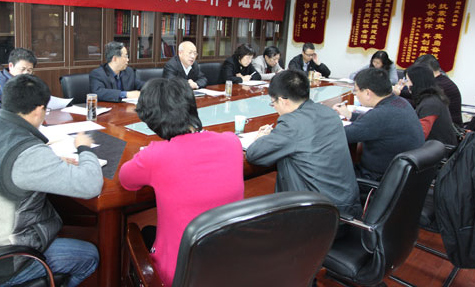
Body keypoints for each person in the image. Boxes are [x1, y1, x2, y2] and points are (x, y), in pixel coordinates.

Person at [0, 74, 103, 287]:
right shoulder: (27, 154)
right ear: (38, 110)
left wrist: (48, 161)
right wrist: (84, 148)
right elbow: (90, 184)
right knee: (89, 256)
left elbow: (1, 160)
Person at [119, 78, 244, 287]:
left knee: (138, 231)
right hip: (229, 264)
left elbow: (126, 180)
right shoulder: (232, 142)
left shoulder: (156, 155)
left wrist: (147, 155)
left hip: (179, 274)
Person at [246, 70, 361, 220]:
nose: (274, 107)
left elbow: (254, 154)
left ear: (283, 100)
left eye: (273, 103)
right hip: (347, 207)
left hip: (318, 215)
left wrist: (261, 138)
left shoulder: (292, 124)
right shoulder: (330, 113)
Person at [334, 68, 424, 181]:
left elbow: (341, 135)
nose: (355, 94)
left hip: (375, 178)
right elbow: (375, 123)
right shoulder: (400, 102)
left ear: (367, 93)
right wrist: (350, 115)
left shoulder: (380, 115)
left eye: (356, 91)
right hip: (401, 177)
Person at [395, 54, 463, 126]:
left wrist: (398, 94)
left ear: (425, 71)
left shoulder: (440, 85)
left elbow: (418, 102)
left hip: (448, 126)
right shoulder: (437, 80)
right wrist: (400, 92)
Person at [405, 65, 457, 146]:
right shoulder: (433, 97)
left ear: (417, 82)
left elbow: (419, 136)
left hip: (439, 150)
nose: (406, 84)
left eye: (408, 80)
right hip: (435, 146)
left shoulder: (430, 105)